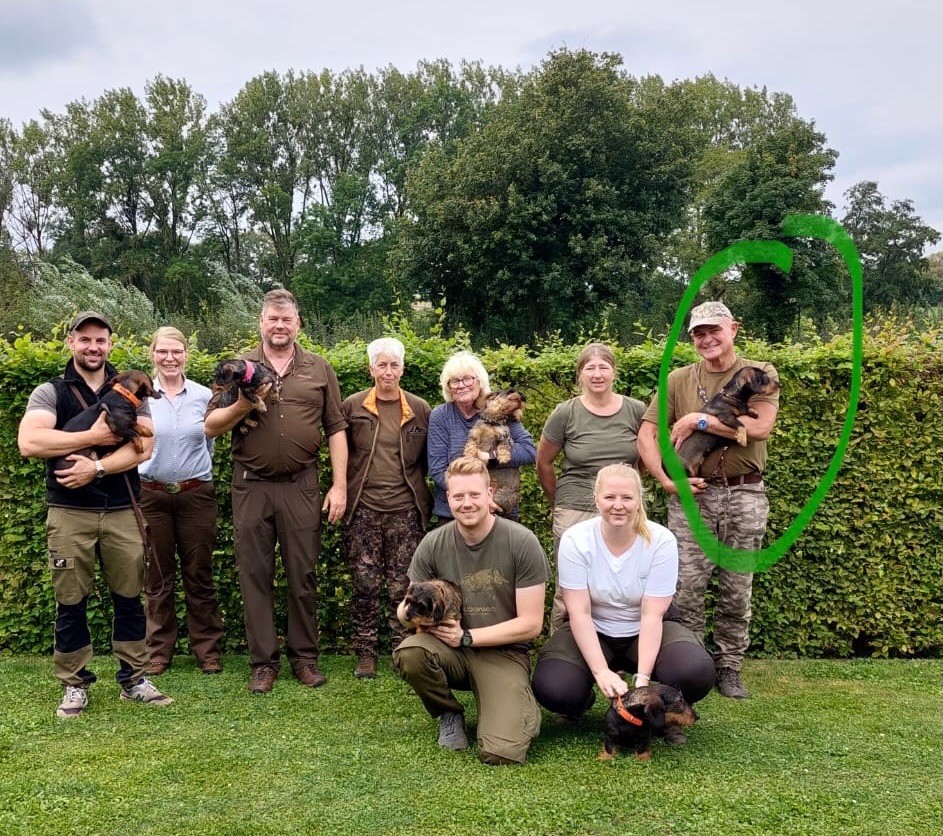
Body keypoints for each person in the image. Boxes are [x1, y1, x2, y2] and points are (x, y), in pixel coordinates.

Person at [17, 311, 173, 717]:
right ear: (71, 342)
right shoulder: (50, 392)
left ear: (110, 344)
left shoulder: (131, 386)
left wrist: (96, 466)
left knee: (129, 598)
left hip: (122, 508)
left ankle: (134, 679)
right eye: (85, 339)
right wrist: (94, 438)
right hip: (69, 510)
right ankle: (74, 684)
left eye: (100, 340)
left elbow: (145, 446)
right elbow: (31, 442)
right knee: (70, 600)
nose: (93, 347)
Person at [204, 289, 348, 694]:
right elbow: (211, 426)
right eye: (272, 319)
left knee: (302, 574)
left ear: (298, 324)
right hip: (251, 486)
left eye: (287, 319)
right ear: (261, 323)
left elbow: (336, 428)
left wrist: (339, 485)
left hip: (302, 485)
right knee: (255, 575)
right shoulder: (239, 368)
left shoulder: (319, 368)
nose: (279, 326)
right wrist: (245, 405)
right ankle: (263, 663)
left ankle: (305, 659)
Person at [637, 302, 780, 699]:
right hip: (692, 497)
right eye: (698, 333)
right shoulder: (678, 380)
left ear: (733, 328)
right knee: (685, 586)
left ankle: (729, 666)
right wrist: (666, 480)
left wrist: (697, 420)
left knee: (737, 585)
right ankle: (692, 665)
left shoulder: (759, 373)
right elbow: (647, 435)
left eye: (713, 330)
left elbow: (762, 427)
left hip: (745, 492)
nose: (706, 339)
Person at [531, 464, 715, 736]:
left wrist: (642, 683)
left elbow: (652, 615)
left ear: (639, 499)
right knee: (555, 687)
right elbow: (579, 612)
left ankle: (658, 716)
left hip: (646, 629)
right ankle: (581, 702)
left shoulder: (661, 540)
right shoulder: (575, 539)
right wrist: (601, 672)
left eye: (627, 498)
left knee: (694, 671)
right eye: (609, 497)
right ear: (596, 499)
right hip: (594, 628)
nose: (618, 505)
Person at [393, 456, 548, 765]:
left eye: (474, 495)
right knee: (411, 652)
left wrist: (467, 636)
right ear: (448, 498)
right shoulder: (433, 543)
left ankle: (510, 706)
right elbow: (404, 610)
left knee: (501, 752)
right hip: (448, 649)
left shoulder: (521, 542)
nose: (467, 503)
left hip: (502, 652)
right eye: (458, 496)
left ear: (489, 495)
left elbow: (532, 624)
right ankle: (448, 713)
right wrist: (418, 618)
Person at [536, 343, 646, 630]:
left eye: (603, 367)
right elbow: (544, 463)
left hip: (623, 508)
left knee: (625, 579)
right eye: (590, 368)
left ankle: (619, 642)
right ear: (580, 374)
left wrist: (630, 491)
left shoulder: (636, 410)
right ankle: (560, 647)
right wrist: (558, 501)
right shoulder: (565, 413)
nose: (597, 374)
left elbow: (648, 456)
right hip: (575, 506)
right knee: (570, 584)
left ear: (614, 372)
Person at [341, 337, 432, 679]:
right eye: (382, 364)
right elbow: (341, 453)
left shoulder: (420, 408)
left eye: (394, 365)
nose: (388, 371)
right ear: (371, 369)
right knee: (364, 584)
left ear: (403, 369)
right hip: (363, 508)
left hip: (406, 510)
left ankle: (401, 648)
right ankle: (365, 652)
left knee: (402, 586)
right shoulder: (353, 407)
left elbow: (428, 461)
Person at [139, 326, 225, 676]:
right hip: (151, 495)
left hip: (195, 494)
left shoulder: (205, 396)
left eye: (176, 352)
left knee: (199, 574)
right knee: (157, 577)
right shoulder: (140, 397)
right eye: (163, 352)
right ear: (153, 355)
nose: (170, 358)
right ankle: (158, 651)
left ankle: (207, 650)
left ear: (186, 354)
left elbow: (209, 444)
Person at [427, 351, 535, 522]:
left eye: (468, 378)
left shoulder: (501, 408)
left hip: (500, 509)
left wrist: (489, 457)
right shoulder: (441, 416)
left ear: (480, 381)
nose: (461, 385)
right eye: (454, 381)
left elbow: (529, 451)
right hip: (455, 513)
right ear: (448, 387)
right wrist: (472, 499)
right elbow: (438, 468)